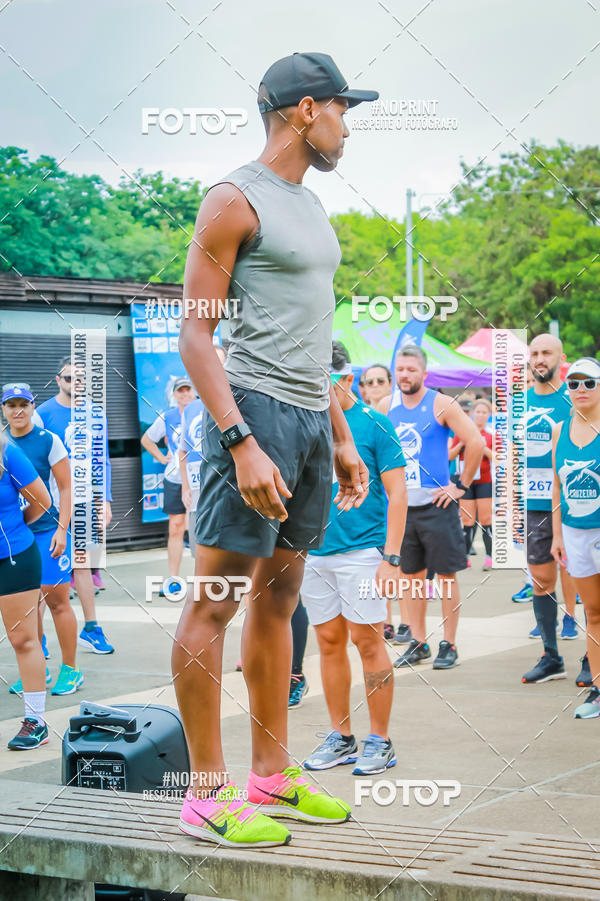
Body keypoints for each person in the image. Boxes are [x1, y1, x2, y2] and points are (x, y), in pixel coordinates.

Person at [172, 52, 376, 849]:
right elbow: (196, 335)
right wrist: (240, 442)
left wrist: (342, 434)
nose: (348, 127)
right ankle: (204, 795)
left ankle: (270, 773)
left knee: (279, 602)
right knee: (214, 602)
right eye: (342, 110)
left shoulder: (313, 205)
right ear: (305, 109)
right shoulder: (233, 198)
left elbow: (314, 339)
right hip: (251, 413)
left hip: (309, 420)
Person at [301, 342, 406, 774]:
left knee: (367, 642)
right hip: (315, 553)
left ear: (346, 379)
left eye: (326, 380)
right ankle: (341, 736)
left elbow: (398, 493)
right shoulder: (308, 422)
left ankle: (380, 740)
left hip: (363, 553)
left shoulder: (375, 424)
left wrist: (392, 558)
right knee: (328, 643)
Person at [378, 344, 484, 670]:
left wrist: (460, 485)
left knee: (446, 577)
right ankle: (418, 642)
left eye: (411, 369)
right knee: (410, 577)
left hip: (437, 505)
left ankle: (448, 644)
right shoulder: (385, 406)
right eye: (400, 369)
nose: (405, 375)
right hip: (401, 508)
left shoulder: (440, 403)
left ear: (424, 373)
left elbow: (475, 441)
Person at [2, 385, 83, 696]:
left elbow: (65, 487)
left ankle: (71, 669)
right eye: (11, 405)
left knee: (57, 601)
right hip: (17, 539)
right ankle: (37, 670)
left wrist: (63, 530)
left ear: (33, 406)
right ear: (3, 410)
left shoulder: (48, 440)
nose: (18, 410)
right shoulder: (2, 443)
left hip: (48, 531)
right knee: (28, 608)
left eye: (23, 404)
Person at [36, 357, 114, 654]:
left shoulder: (96, 413)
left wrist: (104, 499)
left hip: (84, 500)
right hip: (51, 504)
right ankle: (39, 638)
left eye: (80, 378)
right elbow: (34, 461)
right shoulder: (43, 414)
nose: (75, 383)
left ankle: (91, 629)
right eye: (69, 378)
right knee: (45, 570)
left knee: (83, 563)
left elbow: (102, 460)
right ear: (58, 380)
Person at [521, 335, 578, 684]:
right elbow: (511, 456)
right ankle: (551, 656)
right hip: (533, 506)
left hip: (575, 507)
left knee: (588, 582)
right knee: (541, 581)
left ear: (561, 357)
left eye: (546, 353)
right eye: (535, 353)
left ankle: (590, 658)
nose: (540, 359)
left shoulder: (575, 399)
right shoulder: (520, 402)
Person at [550, 358, 600, 718]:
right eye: (574, 383)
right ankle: (597, 688)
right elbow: (557, 485)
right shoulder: (559, 430)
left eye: (589, 382)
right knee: (593, 612)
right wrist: (557, 536)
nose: (581, 389)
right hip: (574, 533)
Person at [0, 428, 53, 749]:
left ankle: (36, 722)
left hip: (14, 556)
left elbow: (42, 501)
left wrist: (12, 527)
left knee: (24, 639)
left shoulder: (8, 452)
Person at [142, 376, 196, 588]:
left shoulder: (203, 412)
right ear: (174, 394)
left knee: (201, 528)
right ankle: (174, 579)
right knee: (176, 527)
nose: (185, 394)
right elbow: (147, 439)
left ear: (194, 392)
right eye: (180, 390)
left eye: (188, 389)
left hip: (200, 479)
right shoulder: (168, 417)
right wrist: (162, 457)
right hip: (175, 478)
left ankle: (204, 578)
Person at [449, 398, 495, 571]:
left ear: (489, 415)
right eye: (478, 412)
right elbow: (450, 456)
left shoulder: (491, 435)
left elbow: (498, 458)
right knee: (468, 520)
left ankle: (490, 557)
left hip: (485, 481)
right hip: (466, 482)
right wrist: (463, 443)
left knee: (486, 519)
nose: (481, 415)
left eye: (484, 412)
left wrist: (482, 447)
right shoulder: (462, 433)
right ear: (472, 414)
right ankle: (465, 556)